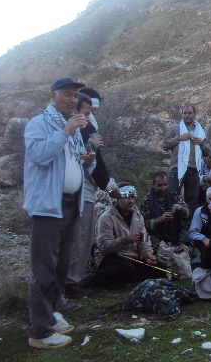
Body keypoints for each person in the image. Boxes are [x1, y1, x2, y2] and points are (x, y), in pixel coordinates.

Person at [23, 77, 95, 349]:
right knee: (44, 269)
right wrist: (65, 130)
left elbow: (71, 163)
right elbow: (40, 156)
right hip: (47, 207)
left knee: (61, 266)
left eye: (75, 95)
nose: (73, 99)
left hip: (70, 204)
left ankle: (51, 315)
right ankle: (39, 331)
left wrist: (86, 161)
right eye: (67, 94)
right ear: (53, 96)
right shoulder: (38, 125)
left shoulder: (74, 129)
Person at [63, 92, 120, 300]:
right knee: (81, 238)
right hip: (81, 192)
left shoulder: (85, 127)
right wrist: (111, 187)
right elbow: (93, 163)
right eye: (86, 111)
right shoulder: (84, 128)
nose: (90, 116)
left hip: (81, 190)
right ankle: (70, 283)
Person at [82, 184, 164, 288]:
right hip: (112, 257)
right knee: (126, 268)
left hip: (133, 258)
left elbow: (145, 239)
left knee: (160, 268)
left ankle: (118, 279)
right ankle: (92, 279)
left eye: (133, 197)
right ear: (117, 198)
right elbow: (103, 247)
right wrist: (125, 240)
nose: (131, 201)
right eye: (126, 197)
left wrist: (147, 255)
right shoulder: (106, 218)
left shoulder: (138, 216)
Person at [162, 104, 209, 212]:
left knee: (192, 200)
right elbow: (165, 145)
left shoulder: (201, 131)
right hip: (177, 167)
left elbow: (208, 152)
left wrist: (201, 143)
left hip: (194, 170)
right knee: (171, 197)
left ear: (194, 114)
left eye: (189, 113)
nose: (187, 115)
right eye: (185, 113)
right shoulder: (175, 128)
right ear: (182, 114)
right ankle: (171, 223)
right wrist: (179, 138)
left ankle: (189, 226)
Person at [139, 171, 190, 252]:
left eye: (165, 185)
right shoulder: (146, 201)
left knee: (188, 248)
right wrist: (160, 219)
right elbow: (143, 224)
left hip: (175, 233)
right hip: (156, 236)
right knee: (164, 251)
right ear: (153, 185)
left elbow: (187, 214)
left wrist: (180, 208)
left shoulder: (174, 196)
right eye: (159, 185)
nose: (163, 188)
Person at [189, 186, 211, 250]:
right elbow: (193, 232)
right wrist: (204, 239)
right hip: (206, 244)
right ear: (206, 199)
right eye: (210, 199)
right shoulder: (200, 211)